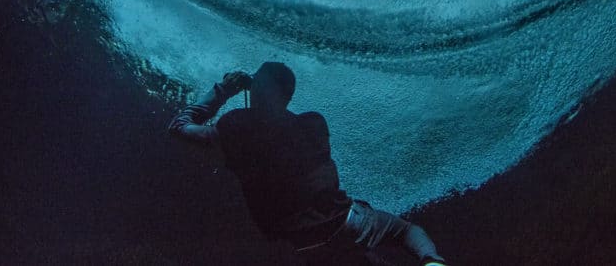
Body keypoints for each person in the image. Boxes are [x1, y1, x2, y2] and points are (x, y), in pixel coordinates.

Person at [169, 62, 448, 265]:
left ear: (259, 88)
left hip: (302, 244)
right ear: (287, 94)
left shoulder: (235, 127)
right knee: (406, 232)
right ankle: (432, 261)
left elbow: (179, 126)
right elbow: (280, 133)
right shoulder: (314, 124)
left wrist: (225, 89)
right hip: (347, 222)